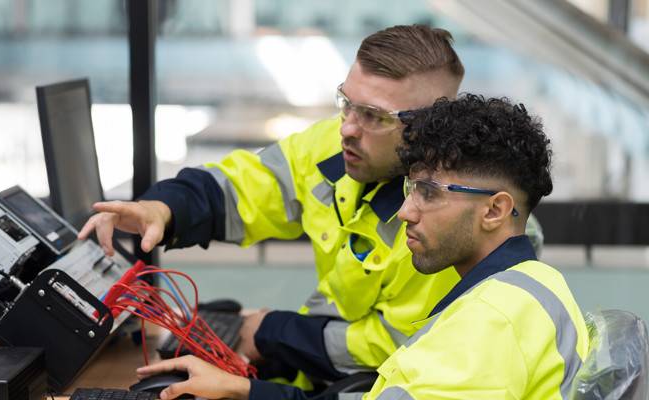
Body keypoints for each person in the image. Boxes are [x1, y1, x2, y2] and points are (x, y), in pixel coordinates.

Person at [79, 24, 540, 386]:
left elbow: (394, 350)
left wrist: (271, 333)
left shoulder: (450, 226)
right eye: (346, 102)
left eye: (373, 116)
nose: (346, 128)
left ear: (428, 125)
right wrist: (165, 208)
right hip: (322, 369)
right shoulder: (338, 149)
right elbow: (248, 188)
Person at [134, 94, 590, 400]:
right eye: (411, 189)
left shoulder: (485, 332)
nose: (406, 212)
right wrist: (246, 392)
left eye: (429, 193)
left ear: (495, 210)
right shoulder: (528, 286)